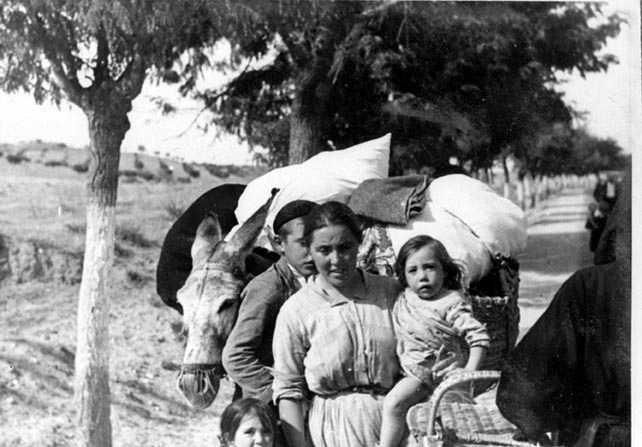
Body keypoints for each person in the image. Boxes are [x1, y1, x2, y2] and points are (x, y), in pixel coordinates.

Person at [272, 201, 402, 447]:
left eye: (345, 247)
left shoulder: (390, 292)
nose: (336, 259)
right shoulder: (297, 310)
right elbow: (288, 390)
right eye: (324, 250)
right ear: (310, 250)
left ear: (359, 243)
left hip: (395, 425)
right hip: (333, 430)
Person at [379, 235, 489, 447]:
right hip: (413, 372)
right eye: (413, 270)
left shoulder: (451, 302)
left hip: (442, 375)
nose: (422, 277)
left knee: (447, 426)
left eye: (430, 267)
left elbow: (479, 337)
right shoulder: (404, 298)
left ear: (445, 270)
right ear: (403, 275)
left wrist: (469, 371)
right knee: (404, 415)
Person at [222, 200, 318, 401]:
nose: (311, 253)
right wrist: (284, 393)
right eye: (302, 243)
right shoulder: (268, 289)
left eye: (318, 243)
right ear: (278, 244)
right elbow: (236, 357)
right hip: (270, 406)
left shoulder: (318, 282)